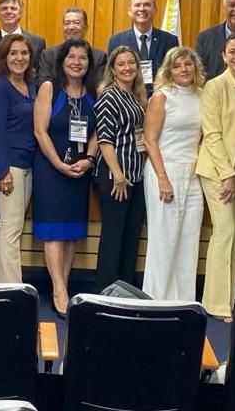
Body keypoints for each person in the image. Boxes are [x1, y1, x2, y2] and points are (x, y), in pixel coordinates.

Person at [196, 34, 235, 319]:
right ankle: (216, 304)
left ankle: (227, 299)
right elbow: (212, 135)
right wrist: (227, 175)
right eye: (232, 52)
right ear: (223, 56)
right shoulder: (215, 86)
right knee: (224, 232)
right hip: (218, 171)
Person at [32, 40, 99, 316]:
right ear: (62, 61)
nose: (77, 62)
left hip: (80, 170)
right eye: (72, 57)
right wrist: (59, 164)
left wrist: (89, 160)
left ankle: (65, 283)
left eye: (83, 58)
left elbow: (98, 131)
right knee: (54, 234)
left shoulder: (93, 92)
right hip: (51, 170)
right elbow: (39, 131)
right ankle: (59, 290)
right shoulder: (50, 89)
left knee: (71, 234)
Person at [142, 47, 205, 302]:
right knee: (164, 241)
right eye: (177, 66)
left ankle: (183, 302)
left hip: (193, 175)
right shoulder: (162, 96)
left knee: (188, 241)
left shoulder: (203, 95)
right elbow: (149, 140)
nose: (184, 70)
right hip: (164, 170)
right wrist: (163, 178)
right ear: (169, 70)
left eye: (188, 64)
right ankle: (157, 301)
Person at [93, 45, 149, 291]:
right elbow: (104, 139)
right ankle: (105, 293)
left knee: (131, 237)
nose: (127, 68)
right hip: (116, 177)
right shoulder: (109, 95)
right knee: (113, 237)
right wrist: (117, 175)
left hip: (135, 177)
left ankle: (124, 291)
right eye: (121, 64)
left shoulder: (135, 96)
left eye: (131, 63)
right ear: (113, 70)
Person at [0, 33, 38, 283]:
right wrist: (1, 171)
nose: (19, 58)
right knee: (11, 228)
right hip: (8, 167)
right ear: (5, 58)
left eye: (24, 53)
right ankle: (13, 289)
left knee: (11, 229)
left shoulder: (32, 86)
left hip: (28, 165)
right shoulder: (0, 88)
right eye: (14, 53)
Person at [107, 0, 178, 94]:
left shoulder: (170, 41)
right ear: (130, 11)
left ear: (155, 10)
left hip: (160, 100)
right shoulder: (116, 41)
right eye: (137, 5)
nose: (142, 8)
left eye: (147, 5)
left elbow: (173, 74)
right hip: (127, 99)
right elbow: (112, 76)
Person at [38, 7, 108, 87]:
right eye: (67, 23)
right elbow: (43, 85)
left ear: (86, 28)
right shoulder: (48, 55)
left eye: (76, 23)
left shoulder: (99, 57)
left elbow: (99, 87)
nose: (71, 27)